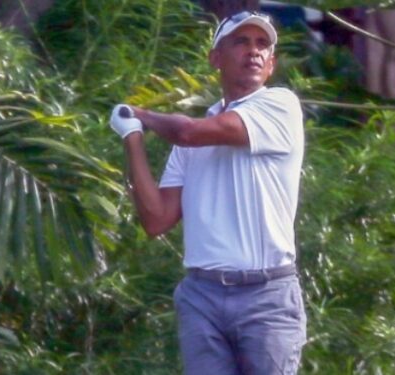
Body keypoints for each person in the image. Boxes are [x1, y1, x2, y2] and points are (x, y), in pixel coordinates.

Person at [108, 11, 306, 375]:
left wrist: (142, 115)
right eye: (241, 42)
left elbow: (189, 133)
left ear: (272, 64)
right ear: (216, 58)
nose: (254, 52)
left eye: (263, 44)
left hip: (266, 296)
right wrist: (131, 136)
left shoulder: (280, 106)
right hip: (202, 295)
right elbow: (156, 219)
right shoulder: (195, 133)